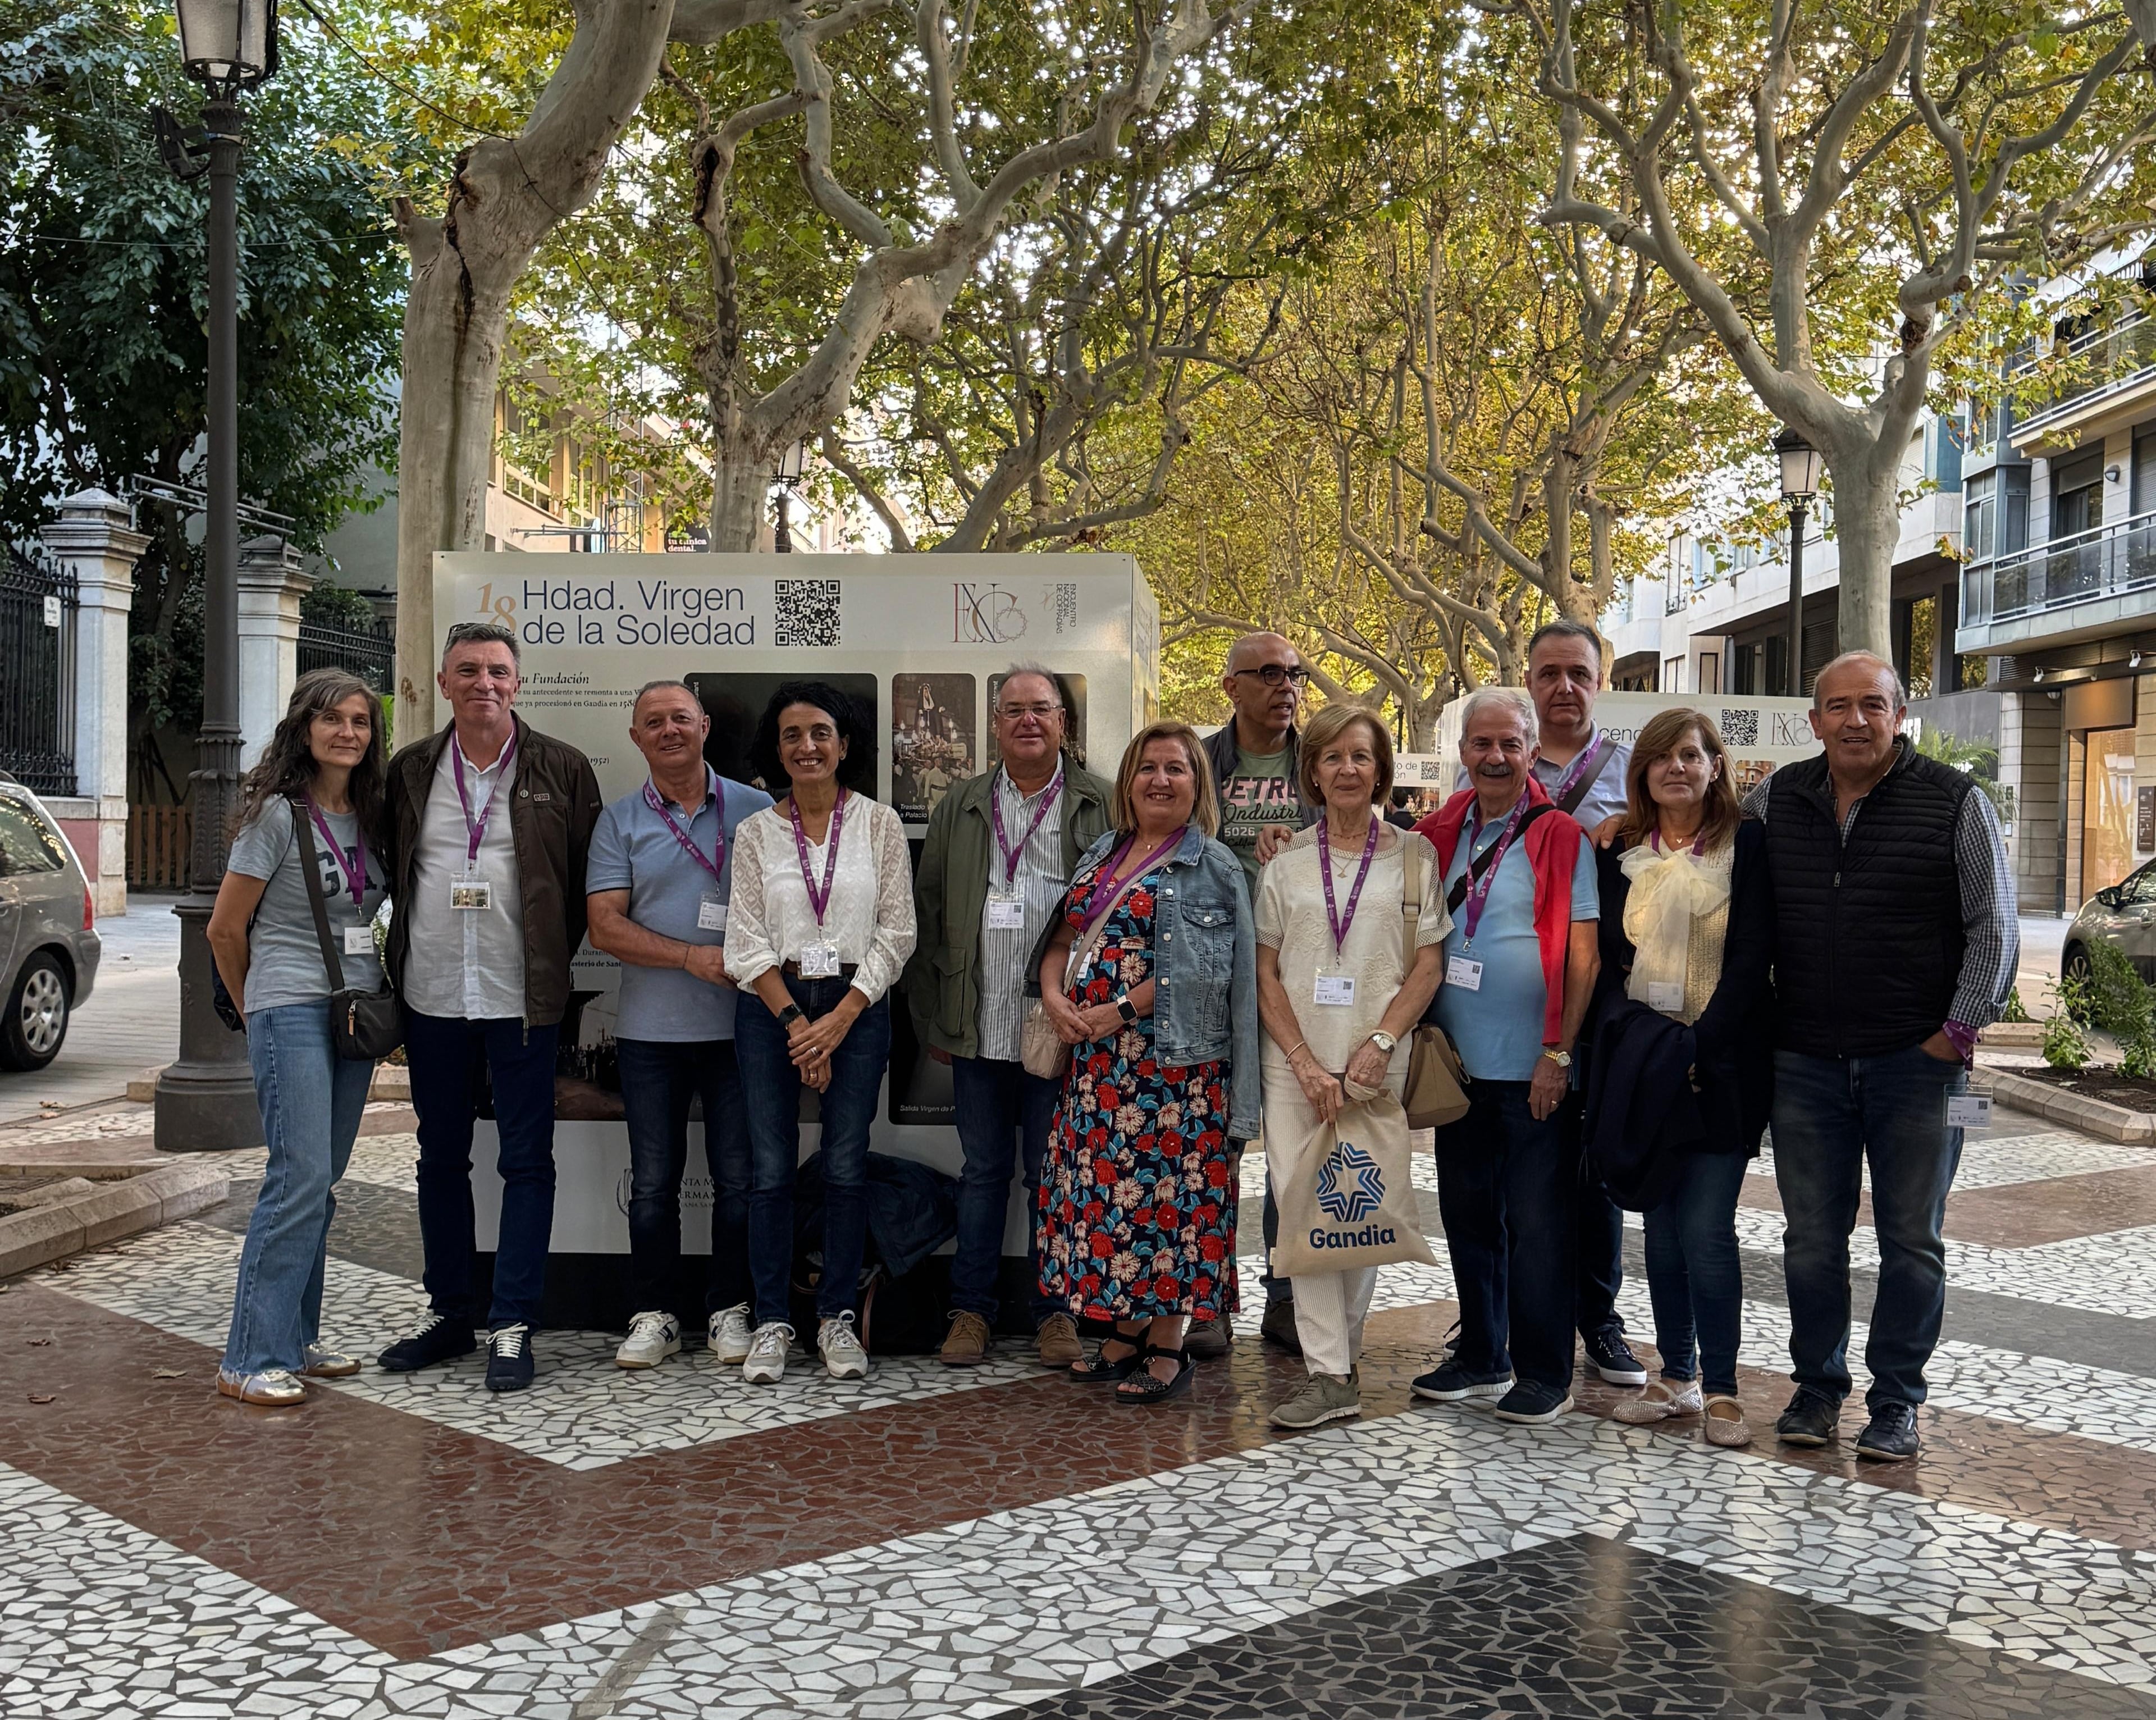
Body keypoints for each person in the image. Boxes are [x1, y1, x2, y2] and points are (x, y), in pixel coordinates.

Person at [1745, 652, 2017, 1462]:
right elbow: (1711, 862)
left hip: (1917, 1066)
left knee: (1912, 1240)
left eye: (1873, 704)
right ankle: (1817, 1387)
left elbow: (1994, 925)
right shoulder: (1775, 799)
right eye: (1838, 706)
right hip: (1804, 1064)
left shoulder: (1955, 799)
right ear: (1814, 720)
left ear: (1900, 716)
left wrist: (1955, 1034)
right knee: (1810, 1240)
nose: (1855, 720)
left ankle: (1896, 1400)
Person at [377, 622, 604, 1392]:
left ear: (518, 683)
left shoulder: (562, 768)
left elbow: (581, 883)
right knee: (440, 1157)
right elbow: (392, 866)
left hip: (523, 999)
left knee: (526, 1159)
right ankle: (451, 1313)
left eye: (498, 671)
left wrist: (545, 960)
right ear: (444, 683)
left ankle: (513, 1322)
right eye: (469, 670)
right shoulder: (411, 769)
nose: (485, 683)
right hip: (433, 993)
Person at [1035, 720, 1259, 1403]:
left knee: (1173, 1208)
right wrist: (1054, 996)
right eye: (1148, 768)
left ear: (1198, 784)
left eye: (1176, 769)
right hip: (1097, 1072)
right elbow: (1064, 936)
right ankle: (1127, 1332)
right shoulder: (1102, 852)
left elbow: (1210, 972)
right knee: (1113, 1204)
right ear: (1128, 781)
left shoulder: (1214, 866)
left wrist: (1120, 1012)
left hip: (1176, 1075)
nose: (1160, 780)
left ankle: (1167, 1343)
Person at [906, 664, 1113, 1369]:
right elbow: (929, 910)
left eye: (1041, 709)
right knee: (983, 1173)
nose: (1028, 720)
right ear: (994, 725)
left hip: (1062, 1024)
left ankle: (1056, 1313)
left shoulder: (1100, 804)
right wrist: (935, 1019)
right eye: (1014, 710)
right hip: (978, 1021)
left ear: (1062, 723)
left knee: (1052, 1174)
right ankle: (971, 1311)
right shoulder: (961, 804)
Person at [1455, 619, 1643, 1388]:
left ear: (1601, 682)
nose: (1564, 685)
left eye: (1579, 673)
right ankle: (1491, 1328)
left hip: (1603, 998)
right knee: (1497, 1188)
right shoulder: (1472, 788)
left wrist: (1633, 823)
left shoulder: (1634, 773)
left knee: (1588, 1178)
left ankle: (1598, 1320)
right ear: (1529, 681)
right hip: (1497, 1027)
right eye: (1549, 673)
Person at [1254, 705, 1446, 1430]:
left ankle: (1343, 1361)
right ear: (1313, 771)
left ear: (1381, 769)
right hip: (1294, 1066)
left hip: (1376, 1062)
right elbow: (1265, 971)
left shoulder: (1415, 857)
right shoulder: (1285, 861)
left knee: (1358, 1209)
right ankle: (1330, 1372)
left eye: (1361, 756)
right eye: (1332, 756)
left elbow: (1429, 965)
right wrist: (1303, 1059)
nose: (1346, 769)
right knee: (1302, 1207)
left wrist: (1383, 1041)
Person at [1412, 687, 1600, 1426]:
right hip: (1457, 1068)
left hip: (1533, 1070)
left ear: (1531, 751)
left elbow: (1583, 957)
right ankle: (1482, 1352)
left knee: (1539, 1225)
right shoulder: (1436, 832)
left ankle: (1546, 1370)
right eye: (1481, 744)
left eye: (1509, 744)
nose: (1494, 757)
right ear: (1463, 751)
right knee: (1466, 1216)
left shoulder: (1561, 835)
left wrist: (1560, 1052)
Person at [1586, 709, 1773, 1449]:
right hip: (1646, 1064)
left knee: (1705, 1229)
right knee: (1660, 1231)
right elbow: (1606, 958)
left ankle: (1722, 1388)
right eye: (1662, 757)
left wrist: (1700, 1043)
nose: (1677, 768)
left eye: (1691, 755)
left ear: (1714, 766)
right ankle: (1677, 1376)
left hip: (1721, 1066)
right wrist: (1642, 1043)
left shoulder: (1747, 844)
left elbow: (1753, 955)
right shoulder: (1621, 848)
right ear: (1643, 772)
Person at [206, 670, 391, 1407]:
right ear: (303, 728)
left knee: (322, 1182)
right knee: (298, 1178)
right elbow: (225, 929)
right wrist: (258, 1010)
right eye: (331, 719)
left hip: (352, 1012)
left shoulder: (371, 815)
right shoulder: (278, 815)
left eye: (360, 721)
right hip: (290, 1008)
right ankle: (248, 1356)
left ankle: (296, 1340)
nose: (347, 732)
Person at [724, 682, 917, 1385]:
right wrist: (798, 1026)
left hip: (856, 1005)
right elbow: (745, 942)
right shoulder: (756, 833)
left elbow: (898, 932)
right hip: (772, 1007)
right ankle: (773, 1320)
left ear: (844, 745)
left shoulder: (879, 825)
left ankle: (835, 1315)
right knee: (771, 1171)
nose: (806, 747)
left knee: (843, 1165)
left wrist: (837, 1021)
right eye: (792, 735)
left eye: (820, 734)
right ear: (776, 750)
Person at [586, 681, 773, 1371]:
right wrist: (691, 957)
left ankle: (730, 1308)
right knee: (653, 1185)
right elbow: (605, 926)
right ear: (636, 738)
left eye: (681, 719)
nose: (669, 730)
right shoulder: (619, 822)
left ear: (705, 727)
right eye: (654, 722)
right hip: (650, 1036)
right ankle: (655, 1314)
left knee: (739, 1182)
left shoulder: (757, 810)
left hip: (742, 1032)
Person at [1200, 632, 1321, 1354]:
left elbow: (1353, 846)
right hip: (1211, 978)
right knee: (1213, 1143)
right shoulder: (1200, 764)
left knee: (1291, 1147)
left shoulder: (1319, 763)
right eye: (1270, 673)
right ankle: (1206, 1301)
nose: (1287, 686)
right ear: (1232, 687)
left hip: (1295, 979)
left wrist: (1298, 849)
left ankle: (1285, 1297)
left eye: (1295, 674)